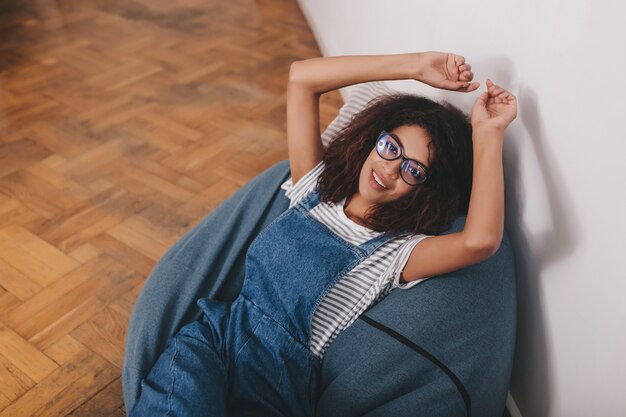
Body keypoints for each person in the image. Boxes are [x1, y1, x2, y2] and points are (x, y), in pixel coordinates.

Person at [130, 51, 517, 417]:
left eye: (413, 170)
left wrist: (488, 132)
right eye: (390, 146)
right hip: (213, 338)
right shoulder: (314, 190)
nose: (390, 169)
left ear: (426, 191)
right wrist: (414, 67)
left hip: (277, 385)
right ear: (373, 140)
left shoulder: (398, 253)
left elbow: (479, 241)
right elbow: (302, 78)